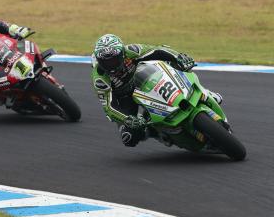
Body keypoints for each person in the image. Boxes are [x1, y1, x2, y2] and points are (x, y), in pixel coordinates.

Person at [91, 34, 223, 147]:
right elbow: (109, 107)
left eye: (114, 60)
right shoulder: (99, 78)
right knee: (129, 137)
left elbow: (158, 50)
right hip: (125, 98)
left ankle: (204, 93)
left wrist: (179, 57)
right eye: (106, 62)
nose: (111, 65)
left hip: (144, 78)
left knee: (176, 64)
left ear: (122, 54)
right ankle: (155, 132)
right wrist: (127, 119)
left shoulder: (131, 51)